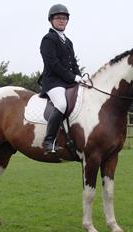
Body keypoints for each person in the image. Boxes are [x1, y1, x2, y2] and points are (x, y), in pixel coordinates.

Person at [39, 4, 83, 154]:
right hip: (53, 82)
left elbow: (73, 63)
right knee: (62, 104)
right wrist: (72, 77)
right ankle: (49, 141)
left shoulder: (68, 41)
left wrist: (80, 78)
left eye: (64, 18)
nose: (61, 21)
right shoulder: (48, 39)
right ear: (51, 20)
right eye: (58, 18)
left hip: (67, 82)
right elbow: (53, 64)